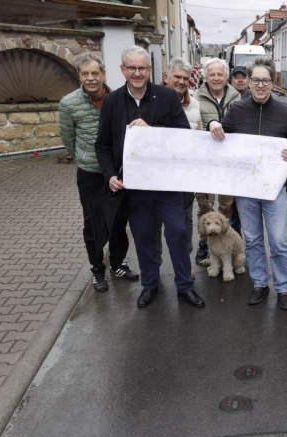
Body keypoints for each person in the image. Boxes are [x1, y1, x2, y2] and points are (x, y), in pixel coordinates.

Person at [94, 45, 204, 309]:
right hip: (135, 184)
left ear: (150, 70)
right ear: (123, 70)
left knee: (177, 233)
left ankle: (184, 286)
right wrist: (110, 174)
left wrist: (152, 130)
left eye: (142, 67)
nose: (137, 72)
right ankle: (150, 285)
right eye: (131, 68)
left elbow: (183, 135)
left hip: (167, 182)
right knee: (143, 236)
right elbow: (103, 145)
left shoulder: (167, 96)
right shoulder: (112, 101)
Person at [208, 56, 287, 310]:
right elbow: (220, 135)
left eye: (266, 80)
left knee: (280, 241)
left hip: (274, 189)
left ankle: (283, 287)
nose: (260, 85)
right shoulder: (237, 110)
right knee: (252, 240)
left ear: (273, 83)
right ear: (248, 82)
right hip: (246, 189)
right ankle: (260, 283)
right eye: (256, 80)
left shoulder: (285, 111)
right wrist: (213, 122)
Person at [59, 52, 139, 292]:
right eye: (85, 74)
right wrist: (84, 159)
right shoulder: (68, 103)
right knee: (94, 225)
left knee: (118, 222)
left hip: (118, 172)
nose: (91, 78)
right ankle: (97, 270)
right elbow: (68, 138)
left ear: (104, 74)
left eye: (95, 73)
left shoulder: (118, 98)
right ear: (79, 76)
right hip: (92, 174)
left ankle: (117, 264)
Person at [194, 58, 241, 264]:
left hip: (229, 163)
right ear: (206, 77)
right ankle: (204, 244)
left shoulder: (237, 98)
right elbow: (192, 127)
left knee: (226, 205)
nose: (216, 78)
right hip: (204, 162)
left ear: (226, 76)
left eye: (220, 74)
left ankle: (224, 243)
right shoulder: (195, 98)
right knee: (204, 205)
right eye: (211, 74)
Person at [160, 57, 203, 254]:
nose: (181, 81)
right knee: (154, 222)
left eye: (185, 78)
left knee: (185, 220)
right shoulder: (152, 99)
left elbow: (200, 138)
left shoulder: (194, 104)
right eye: (177, 76)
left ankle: (185, 263)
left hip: (185, 176)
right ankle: (154, 267)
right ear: (166, 77)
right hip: (158, 175)